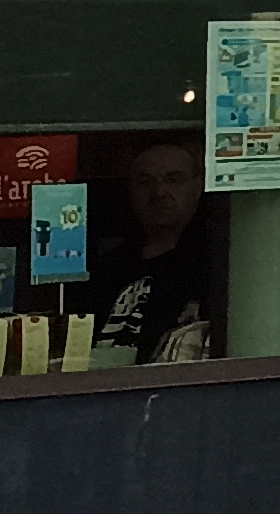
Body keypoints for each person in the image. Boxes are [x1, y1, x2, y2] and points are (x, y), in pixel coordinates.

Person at [86, 138, 224, 364]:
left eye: (173, 180)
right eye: (145, 182)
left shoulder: (218, 260)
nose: (159, 192)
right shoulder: (110, 266)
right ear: (131, 190)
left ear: (198, 186)